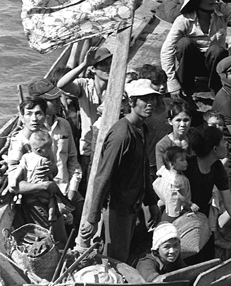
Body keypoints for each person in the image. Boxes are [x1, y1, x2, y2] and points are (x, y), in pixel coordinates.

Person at [78, 79, 161, 263]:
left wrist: (151, 202)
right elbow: (103, 177)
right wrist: (93, 217)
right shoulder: (121, 135)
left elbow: (143, 169)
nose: (150, 104)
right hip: (117, 208)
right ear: (131, 102)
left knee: (124, 253)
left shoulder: (141, 129)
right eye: (144, 99)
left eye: (153, 99)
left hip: (133, 204)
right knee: (114, 259)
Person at [160, 0, 231, 98]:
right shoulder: (184, 20)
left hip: (214, 65)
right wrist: (172, 82)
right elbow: (167, 50)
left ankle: (217, 92)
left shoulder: (222, 9)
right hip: (190, 65)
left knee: (217, 50)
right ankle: (185, 90)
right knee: (184, 43)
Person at [184, 125, 231, 261]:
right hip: (184, 218)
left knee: (206, 258)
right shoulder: (188, 165)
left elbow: (229, 202)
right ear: (215, 149)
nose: (227, 144)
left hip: (203, 219)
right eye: (223, 141)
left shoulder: (217, 168)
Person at [26, 78, 83, 233]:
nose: (59, 102)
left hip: (67, 188)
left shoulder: (63, 125)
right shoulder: (29, 132)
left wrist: (72, 189)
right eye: (53, 100)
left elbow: (72, 159)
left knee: (85, 219)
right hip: (43, 195)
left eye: (58, 98)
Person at [57, 44, 113, 184]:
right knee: (86, 183)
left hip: (110, 146)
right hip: (88, 148)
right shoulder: (85, 85)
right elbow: (61, 84)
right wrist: (84, 64)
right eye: (103, 65)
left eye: (110, 64)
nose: (108, 68)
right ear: (93, 69)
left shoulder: (117, 88)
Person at [11, 131, 74, 242]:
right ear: (40, 150)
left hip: (32, 197)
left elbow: (17, 175)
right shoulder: (43, 159)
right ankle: (53, 217)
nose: (50, 151)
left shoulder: (26, 157)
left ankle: (55, 221)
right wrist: (44, 184)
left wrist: (14, 180)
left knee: (46, 223)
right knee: (51, 201)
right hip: (40, 194)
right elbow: (50, 177)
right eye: (49, 149)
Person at [153, 145, 199, 220]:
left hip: (167, 198)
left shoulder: (165, 170)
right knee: (173, 221)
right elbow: (181, 196)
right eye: (182, 160)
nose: (186, 162)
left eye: (185, 159)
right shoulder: (178, 179)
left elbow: (159, 174)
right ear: (172, 164)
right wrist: (191, 204)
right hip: (175, 205)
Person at [155, 101, 192, 173]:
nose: (182, 124)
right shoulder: (163, 145)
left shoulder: (194, 139)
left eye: (186, 120)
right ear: (170, 121)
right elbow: (162, 172)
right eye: (178, 120)